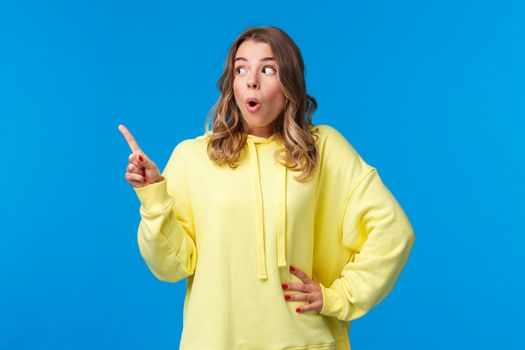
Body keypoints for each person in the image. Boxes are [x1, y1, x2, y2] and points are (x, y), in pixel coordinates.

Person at [118, 26, 415, 350]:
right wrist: (154, 196)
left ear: (289, 82)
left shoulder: (323, 149)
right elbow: (171, 267)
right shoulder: (193, 157)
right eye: (241, 68)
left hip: (307, 342)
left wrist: (339, 296)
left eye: (268, 69)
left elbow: (393, 231)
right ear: (231, 82)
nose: (252, 80)